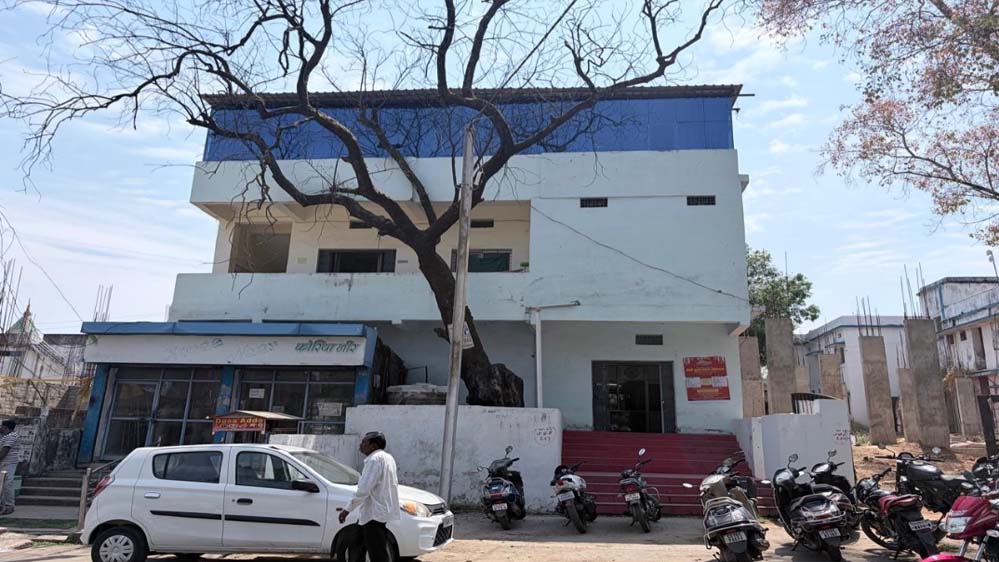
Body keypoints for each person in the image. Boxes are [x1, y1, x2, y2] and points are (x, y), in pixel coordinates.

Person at [338, 431, 399, 562]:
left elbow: (364, 489)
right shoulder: (388, 458)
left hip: (373, 514)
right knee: (356, 546)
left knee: (377, 553)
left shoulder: (374, 460)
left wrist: (347, 509)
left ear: (373, 445)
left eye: (364, 442)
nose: (361, 445)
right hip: (373, 513)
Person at [0, 420, 20, 515]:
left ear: (5, 427)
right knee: (3, 485)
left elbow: (4, 452)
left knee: (7, 484)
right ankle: (3, 505)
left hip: (8, 463)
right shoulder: (7, 436)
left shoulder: (11, 437)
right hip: (5, 463)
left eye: (2, 426)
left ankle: (9, 506)